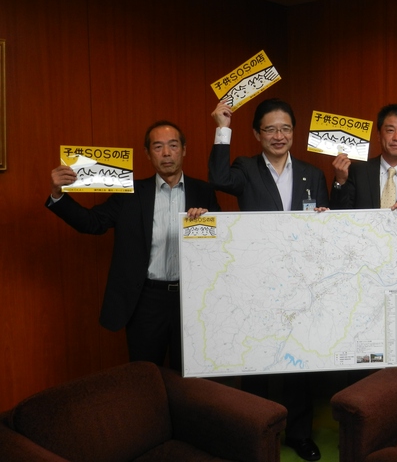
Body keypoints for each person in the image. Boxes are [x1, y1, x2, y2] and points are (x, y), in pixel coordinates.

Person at [46, 120, 220, 371]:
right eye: (158, 147)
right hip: (146, 300)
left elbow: (220, 245)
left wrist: (207, 225)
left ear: (184, 149)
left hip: (192, 298)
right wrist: (57, 195)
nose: (166, 153)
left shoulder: (204, 191)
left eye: (173, 145)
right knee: (145, 375)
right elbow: (92, 223)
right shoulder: (129, 193)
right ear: (148, 154)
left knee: (190, 375)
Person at [209, 98, 328, 462]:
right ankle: (256, 434)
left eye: (285, 128)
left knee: (299, 362)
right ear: (257, 133)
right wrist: (222, 128)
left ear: (294, 132)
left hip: (301, 285)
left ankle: (300, 435)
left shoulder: (312, 174)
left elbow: (325, 232)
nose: (279, 135)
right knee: (256, 361)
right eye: (271, 129)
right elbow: (219, 179)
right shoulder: (245, 168)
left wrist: (324, 218)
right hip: (257, 283)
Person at [330, 103, 397, 344]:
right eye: (390, 130)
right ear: (379, 135)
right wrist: (339, 182)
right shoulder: (357, 171)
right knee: (360, 348)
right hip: (359, 277)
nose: (396, 137)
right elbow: (339, 220)